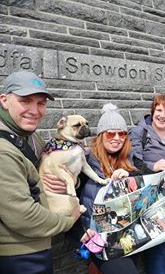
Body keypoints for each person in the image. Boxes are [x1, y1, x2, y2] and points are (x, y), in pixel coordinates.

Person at [0, 71, 80, 274]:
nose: (35, 110)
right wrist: (69, 220)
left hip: (38, 244)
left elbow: (56, 172)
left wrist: (71, 182)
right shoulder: (3, 150)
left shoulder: (33, 139)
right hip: (17, 254)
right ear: (4, 100)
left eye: (41, 103)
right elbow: (22, 216)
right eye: (25, 101)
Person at [129, 94, 165, 274]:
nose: (162, 115)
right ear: (153, 110)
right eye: (159, 110)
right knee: (157, 247)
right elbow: (131, 162)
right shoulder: (140, 132)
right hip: (153, 197)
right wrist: (152, 166)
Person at [77, 103, 141, 273]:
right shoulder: (84, 163)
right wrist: (78, 233)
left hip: (128, 236)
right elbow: (69, 199)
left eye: (122, 134)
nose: (117, 138)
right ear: (100, 135)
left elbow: (147, 175)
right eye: (111, 133)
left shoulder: (130, 159)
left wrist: (130, 176)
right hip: (99, 240)